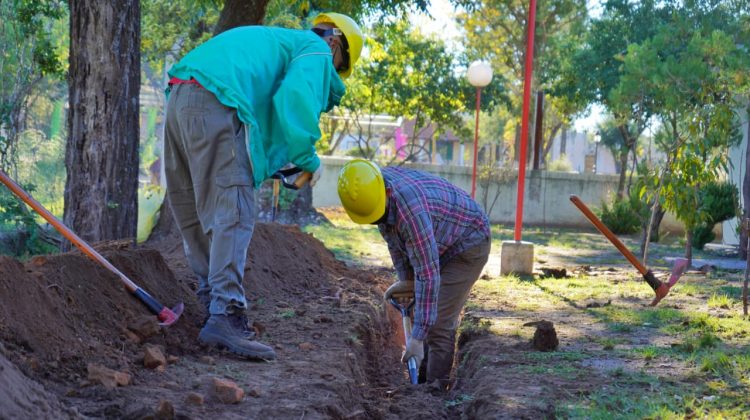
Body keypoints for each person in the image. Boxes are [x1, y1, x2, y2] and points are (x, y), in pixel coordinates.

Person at [163, 13, 364, 360]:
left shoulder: (276, 46)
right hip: (215, 101)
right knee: (234, 209)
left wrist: (278, 165)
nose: (332, 74)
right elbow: (296, 97)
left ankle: (211, 299)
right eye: (339, 67)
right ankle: (226, 313)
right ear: (334, 43)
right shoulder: (316, 50)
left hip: (181, 96)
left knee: (193, 204)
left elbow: (262, 123)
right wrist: (307, 157)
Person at [337, 159, 491, 388]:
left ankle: (434, 389)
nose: (377, 222)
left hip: (468, 244)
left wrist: (417, 338)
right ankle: (422, 375)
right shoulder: (375, 191)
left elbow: (428, 276)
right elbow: (395, 243)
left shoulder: (410, 211)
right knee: (424, 309)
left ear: (387, 192)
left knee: (437, 320)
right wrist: (406, 282)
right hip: (439, 240)